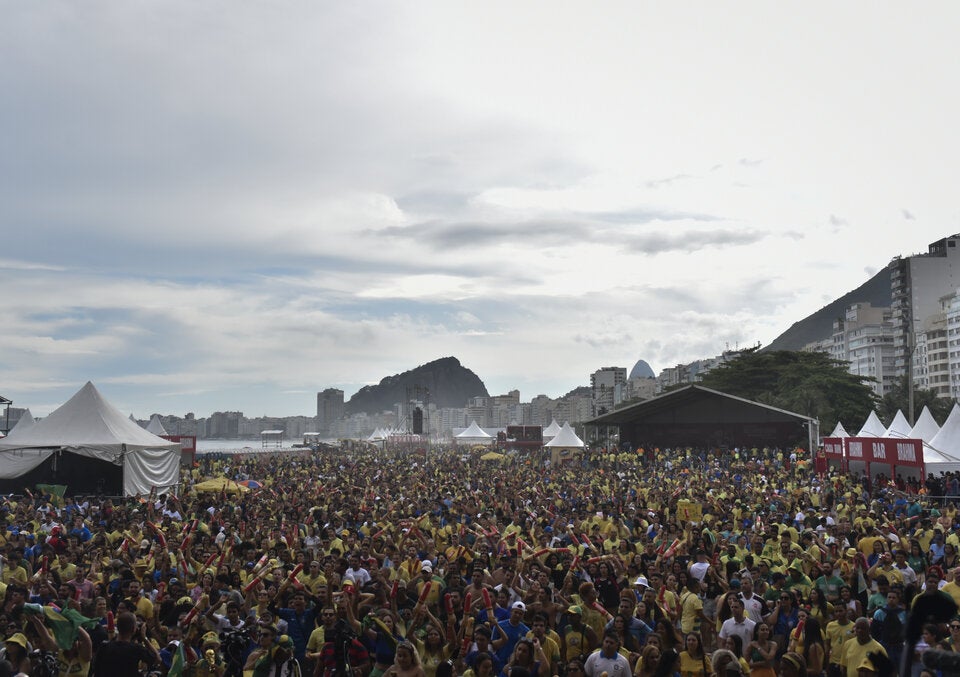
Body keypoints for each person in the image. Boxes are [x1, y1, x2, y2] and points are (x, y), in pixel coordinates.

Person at [91, 611, 161, 676]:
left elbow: (96, 670)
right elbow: (158, 659)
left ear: (117, 627)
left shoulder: (104, 646)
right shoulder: (136, 649)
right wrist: (144, 638)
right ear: (134, 629)